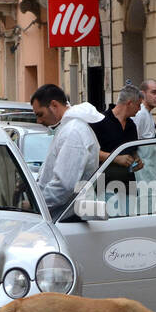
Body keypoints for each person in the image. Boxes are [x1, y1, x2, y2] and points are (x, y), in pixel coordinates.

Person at [30, 84, 102, 216]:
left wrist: (35, 204)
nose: (39, 120)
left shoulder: (73, 132)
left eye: (40, 114)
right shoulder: (69, 128)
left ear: (54, 105)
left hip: (65, 217)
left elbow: (64, 186)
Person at [91, 84, 143, 194]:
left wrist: (136, 160)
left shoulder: (131, 125)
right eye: (138, 105)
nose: (139, 109)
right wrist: (115, 158)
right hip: (104, 186)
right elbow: (90, 152)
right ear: (129, 103)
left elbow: (132, 150)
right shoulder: (99, 121)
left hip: (128, 186)